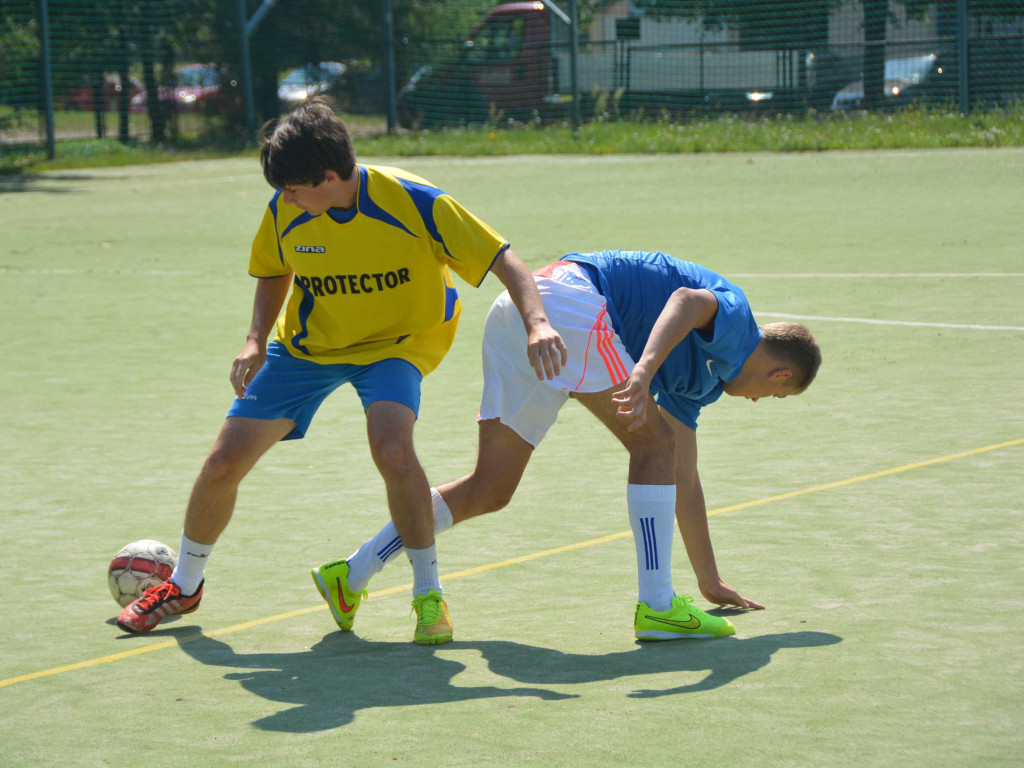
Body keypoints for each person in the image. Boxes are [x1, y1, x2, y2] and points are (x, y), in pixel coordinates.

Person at [115, 99, 567, 645]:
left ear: (329, 178)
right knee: (222, 462)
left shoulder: (415, 202)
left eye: (295, 190)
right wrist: (256, 338)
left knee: (393, 449)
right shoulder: (286, 208)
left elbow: (503, 259)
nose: (286, 199)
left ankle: (429, 594)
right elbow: (273, 270)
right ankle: (185, 585)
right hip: (309, 345)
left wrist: (538, 323)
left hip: (399, 343)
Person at [315, 251, 821, 640]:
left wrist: (710, 581)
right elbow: (687, 302)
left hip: (518, 314)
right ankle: (658, 605)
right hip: (565, 302)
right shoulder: (738, 325)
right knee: (652, 444)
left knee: (492, 488)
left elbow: (681, 477)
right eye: (775, 394)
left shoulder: (702, 384)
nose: (760, 400)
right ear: (781, 373)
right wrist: (643, 371)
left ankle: (352, 573)